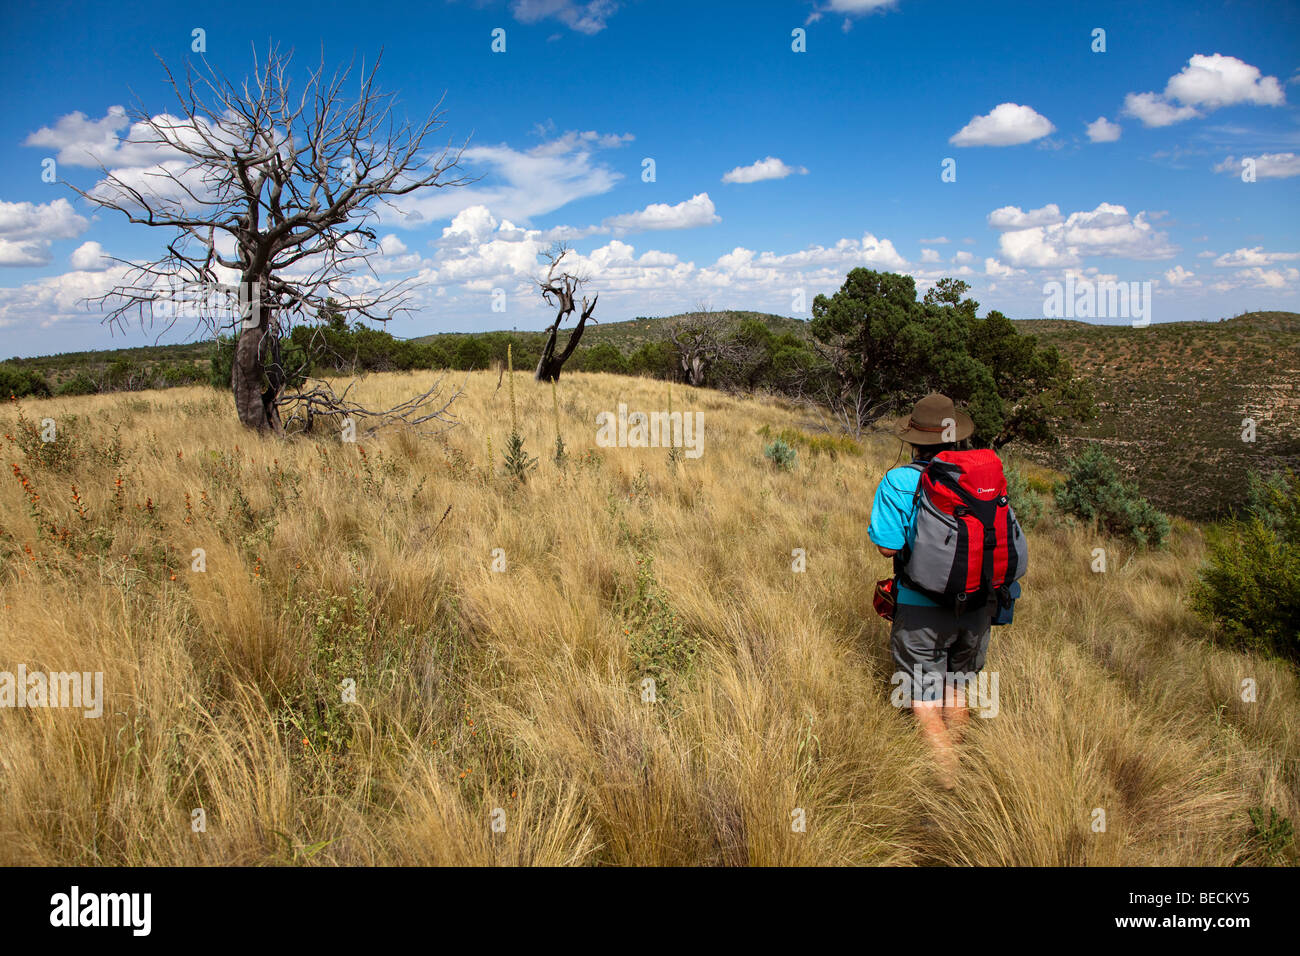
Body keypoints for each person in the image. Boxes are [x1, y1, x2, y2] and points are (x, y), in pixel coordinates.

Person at [867, 392, 994, 789]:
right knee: (957, 689)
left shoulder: (899, 481)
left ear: (914, 439)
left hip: (920, 604)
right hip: (977, 603)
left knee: (923, 699)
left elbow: (888, 545)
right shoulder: (981, 477)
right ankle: (963, 770)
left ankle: (947, 783)